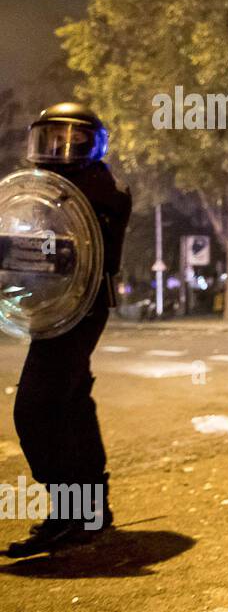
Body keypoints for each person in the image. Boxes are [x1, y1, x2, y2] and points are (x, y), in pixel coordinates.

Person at [6, 104, 131, 557]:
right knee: (73, 401)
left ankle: (69, 512)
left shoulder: (97, 191)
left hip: (77, 307)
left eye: (71, 139)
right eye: (50, 138)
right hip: (61, 307)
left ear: (91, 144)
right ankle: (92, 511)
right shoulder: (66, 189)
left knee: (36, 410)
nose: (59, 148)